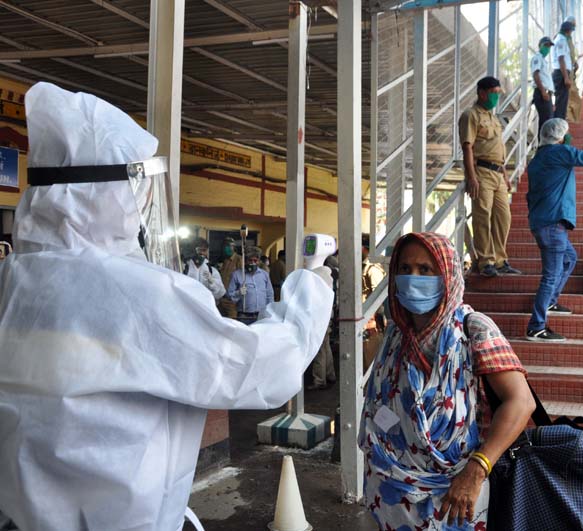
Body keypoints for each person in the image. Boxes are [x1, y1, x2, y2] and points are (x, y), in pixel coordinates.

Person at [0, 82, 333, 531]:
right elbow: (256, 367)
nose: (140, 205)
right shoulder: (135, 292)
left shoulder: (12, 281)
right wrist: (311, 287)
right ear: (102, 192)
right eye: (135, 187)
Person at [359, 231, 535, 530]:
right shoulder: (394, 334)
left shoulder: (473, 329)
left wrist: (478, 469)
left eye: (425, 270)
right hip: (386, 485)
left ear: (447, 275)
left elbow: (521, 401)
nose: (413, 278)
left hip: (454, 490)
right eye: (405, 269)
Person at [526, 118, 583, 342]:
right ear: (559, 137)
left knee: (569, 258)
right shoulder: (560, 152)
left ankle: (550, 302)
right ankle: (536, 326)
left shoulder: (537, 159)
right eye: (566, 133)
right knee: (550, 276)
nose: (569, 136)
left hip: (543, 222)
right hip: (553, 224)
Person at [458, 76, 521, 278]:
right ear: (482, 93)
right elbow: (467, 147)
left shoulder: (493, 117)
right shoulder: (471, 116)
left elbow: (498, 149)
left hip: (498, 173)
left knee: (504, 217)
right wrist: (472, 177)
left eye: (497, 94)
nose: (496, 97)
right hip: (482, 172)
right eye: (493, 93)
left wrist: (505, 175)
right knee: (482, 216)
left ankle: (500, 260)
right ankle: (486, 261)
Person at [228, 245, 275, 325]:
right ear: (245, 261)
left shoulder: (264, 275)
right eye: (250, 260)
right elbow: (229, 295)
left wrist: (270, 311)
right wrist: (239, 293)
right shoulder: (237, 274)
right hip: (244, 316)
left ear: (259, 261)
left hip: (262, 315)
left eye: (255, 260)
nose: (252, 263)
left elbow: (269, 295)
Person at [183, 236, 226, 301]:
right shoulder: (184, 268)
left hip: (205, 307)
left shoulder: (212, 271)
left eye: (204, 250)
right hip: (187, 306)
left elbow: (220, 294)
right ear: (193, 251)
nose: (202, 253)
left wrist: (212, 282)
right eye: (199, 250)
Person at [531, 36, 555, 133]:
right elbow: (535, 75)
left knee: (548, 120)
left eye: (549, 46)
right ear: (540, 45)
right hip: (542, 92)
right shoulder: (537, 58)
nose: (547, 48)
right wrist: (543, 92)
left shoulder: (543, 60)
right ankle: (543, 146)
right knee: (545, 122)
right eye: (545, 45)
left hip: (546, 93)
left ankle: (546, 145)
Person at [552, 21, 576, 120]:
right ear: (568, 31)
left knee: (561, 102)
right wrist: (566, 78)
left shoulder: (560, 39)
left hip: (561, 73)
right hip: (561, 74)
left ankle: (560, 126)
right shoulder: (561, 40)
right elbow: (561, 59)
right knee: (561, 103)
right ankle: (559, 127)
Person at [563, 17, 583, 124]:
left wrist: (574, 63)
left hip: (570, 71)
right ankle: (571, 121)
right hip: (565, 73)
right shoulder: (561, 38)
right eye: (572, 26)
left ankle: (573, 121)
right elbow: (561, 57)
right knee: (572, 98)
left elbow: (570, 54)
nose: (573, 28)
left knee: (574, 99)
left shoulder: (569, 38)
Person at [218, 235, 243, 317]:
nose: (226, 248)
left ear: (234, 247)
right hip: (222, 299)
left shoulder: (239, 260)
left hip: (232, 301)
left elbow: (243, 280)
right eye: (225, 246)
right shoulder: (225, 261)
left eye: (229, 246)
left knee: (233, 325)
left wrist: (237, 297)